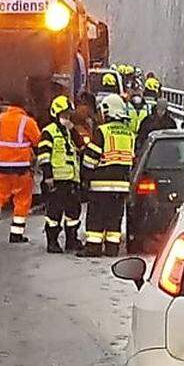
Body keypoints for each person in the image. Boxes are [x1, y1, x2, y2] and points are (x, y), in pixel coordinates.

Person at [78, 94, 135, 257]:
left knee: (96, 218)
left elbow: (90, 160)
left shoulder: (102, 131)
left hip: (100, 185)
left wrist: (85, 178)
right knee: (114, 219)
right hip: (121, 187)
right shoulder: (129, 133)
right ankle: (112, 248)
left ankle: (93, 248)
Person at [0, 97, 41, 243]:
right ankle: (16, 233)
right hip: (21, 167)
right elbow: (38, 141)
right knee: (22, 200)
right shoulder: (27, 122)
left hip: (1, 166)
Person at [37, 95, 82, 253]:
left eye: (69, 115)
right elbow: (43, 155)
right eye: (64, 115)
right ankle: (52, 242)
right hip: (56, 180)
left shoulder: (68, 132)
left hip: (71, 179)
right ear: (56, 114)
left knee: (73, 212)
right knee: (54, 213)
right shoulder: (48, 132)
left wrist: (73, 130)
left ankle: (71, 240)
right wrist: (48, 176)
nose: (67, 118)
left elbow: (81, 146)